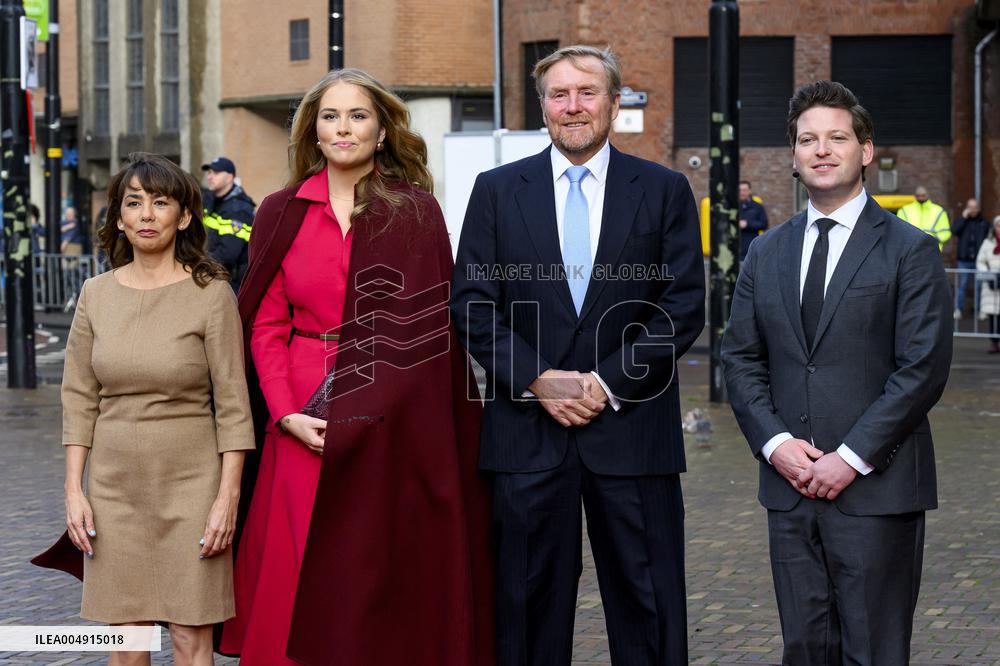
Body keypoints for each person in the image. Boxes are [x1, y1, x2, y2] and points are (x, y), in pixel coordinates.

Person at [219, 68, 494, 666]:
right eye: (330, 116)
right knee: (295, 563)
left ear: (382, 131)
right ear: (312, 132)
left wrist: (373, 409)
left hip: (391, 418)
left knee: (376, 566)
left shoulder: (416, 211)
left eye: (358, 116)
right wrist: (287, 412)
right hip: (300, 410)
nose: (344, 128)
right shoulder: (279, 210)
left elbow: (430, 334)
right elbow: (265, 326)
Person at [452, 45, 705, 665]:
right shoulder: (496, 190)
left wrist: (604, 383)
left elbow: (685, 304)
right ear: (542, 108)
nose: (573, 106)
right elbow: (472, 304)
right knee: (525, 610)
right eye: (559, 95)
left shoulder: (665, 190)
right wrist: (537, 378)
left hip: (632, 430)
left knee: (650, 606)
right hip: (527, 436)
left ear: (614, 103)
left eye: (587, 92)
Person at [722, 80, 953, 664]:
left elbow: (921, 368)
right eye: (807, 140)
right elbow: (741, 357)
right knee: (804, 649)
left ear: (865, 150)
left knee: (873, 650)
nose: (821, 150)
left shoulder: (910, 250)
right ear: (794, 157)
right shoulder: (765, 252)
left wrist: (849, 458)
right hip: (790, 488)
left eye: (837, 137)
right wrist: (776, 445)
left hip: (876, 491)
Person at [33, 152, 256, 665]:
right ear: (119, 217)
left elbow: (233, 406)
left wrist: (227, 499)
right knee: (127, 641)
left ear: (184, 216)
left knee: (189, 637)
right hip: (114, 490)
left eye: (161, 202)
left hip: (193, 486)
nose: (148, 214)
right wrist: (74, 491)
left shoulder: (211, 294)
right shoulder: (95, 295)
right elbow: (79, 398)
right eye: (134, 203)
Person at [201, 157, 255, 292]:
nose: (210, 177)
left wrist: (194, 260)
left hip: (230, 282)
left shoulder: (238, 209)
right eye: (209, 173)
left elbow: (228, 254)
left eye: (216, 173)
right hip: (211, 273)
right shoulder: (211, 200)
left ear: (230, 177)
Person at [952, 198, 991, 318]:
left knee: (979, 286)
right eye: (970, 207)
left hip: (979, 260)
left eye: (975, 207)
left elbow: (989, 238)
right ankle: (958, 309)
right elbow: (954, 231)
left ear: (978, 209)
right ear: (967, 208)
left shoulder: (984, 222)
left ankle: (979, 310)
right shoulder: (962, 221)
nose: (973, 210)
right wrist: (963, 218)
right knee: (962, 286)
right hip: (963, 259)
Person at [896, 185, 951, 251]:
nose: (921, 198)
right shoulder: (904, 211)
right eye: (918, 196)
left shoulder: (939, 211)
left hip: (932, 250)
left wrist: (932, 241)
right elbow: (899, 231)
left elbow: (945, 232)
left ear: (928, 195)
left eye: (923, 195)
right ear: (915, 196)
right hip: (910, 250)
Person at [976, 215, 1000, 353]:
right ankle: (994, 342)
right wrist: (989, 275)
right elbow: (980, 261)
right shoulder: (988, 242)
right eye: (998, 225)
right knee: (993, 316)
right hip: (992, 283)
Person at [738, 179, 769, 261]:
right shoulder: (732, 207)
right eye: (740, 190)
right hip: (735, 249)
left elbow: (764, 224)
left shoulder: (757, 206)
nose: (742, 193)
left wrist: (747, 224)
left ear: (749, 191)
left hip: (750, 248)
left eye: (744, 190)